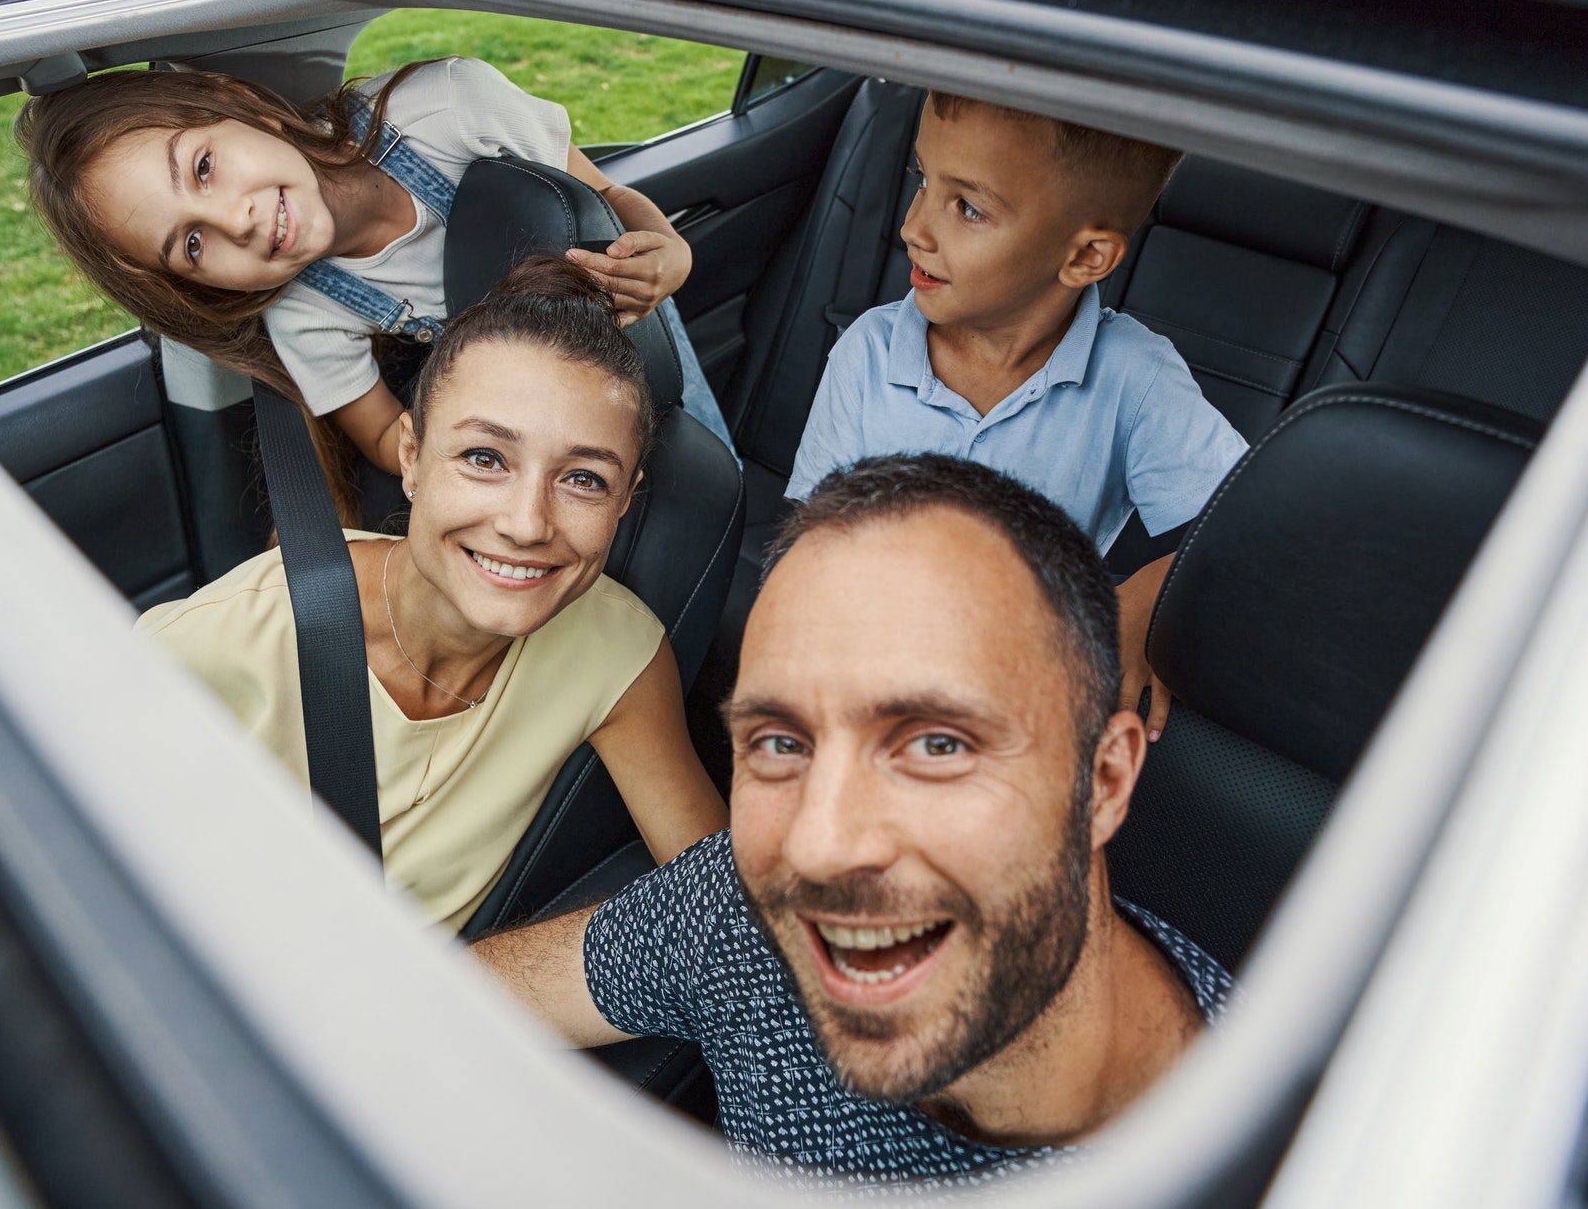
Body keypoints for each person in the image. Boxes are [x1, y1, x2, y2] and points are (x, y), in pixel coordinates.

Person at [474, 454, 1232, 1191]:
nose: (818, 845)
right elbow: (454, 1003)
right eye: (780, 743)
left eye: (937, 744)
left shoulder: (1298, 1161)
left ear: (1102, 781)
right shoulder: (739, 913)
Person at [137, 257, 728, 930]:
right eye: (484, 458)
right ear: (411, 457)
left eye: (585, 479)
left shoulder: (620, 654)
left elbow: (730, 916)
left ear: (626, 499)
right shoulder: (232, 632)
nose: (527, 523)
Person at [16, 56, 734, 486]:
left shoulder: (454, 107)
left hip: (633, 337)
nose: (234, 221)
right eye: (193, 245)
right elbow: (386, 437)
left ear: (237, 107)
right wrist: (472, 457)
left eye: (204, 167)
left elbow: (605, 196)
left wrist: (669, 246)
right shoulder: (306, 307)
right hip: (523, 425)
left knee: (699, 467)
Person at [785, 93, 1248, 739]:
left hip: (1020, 698)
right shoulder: (869, 348)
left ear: (1086, 257)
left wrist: (1147, 594)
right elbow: (813, 540)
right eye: (922, 180)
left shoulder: (1133, 376)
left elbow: (1247, 524)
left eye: (968, 207)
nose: (914, 227)